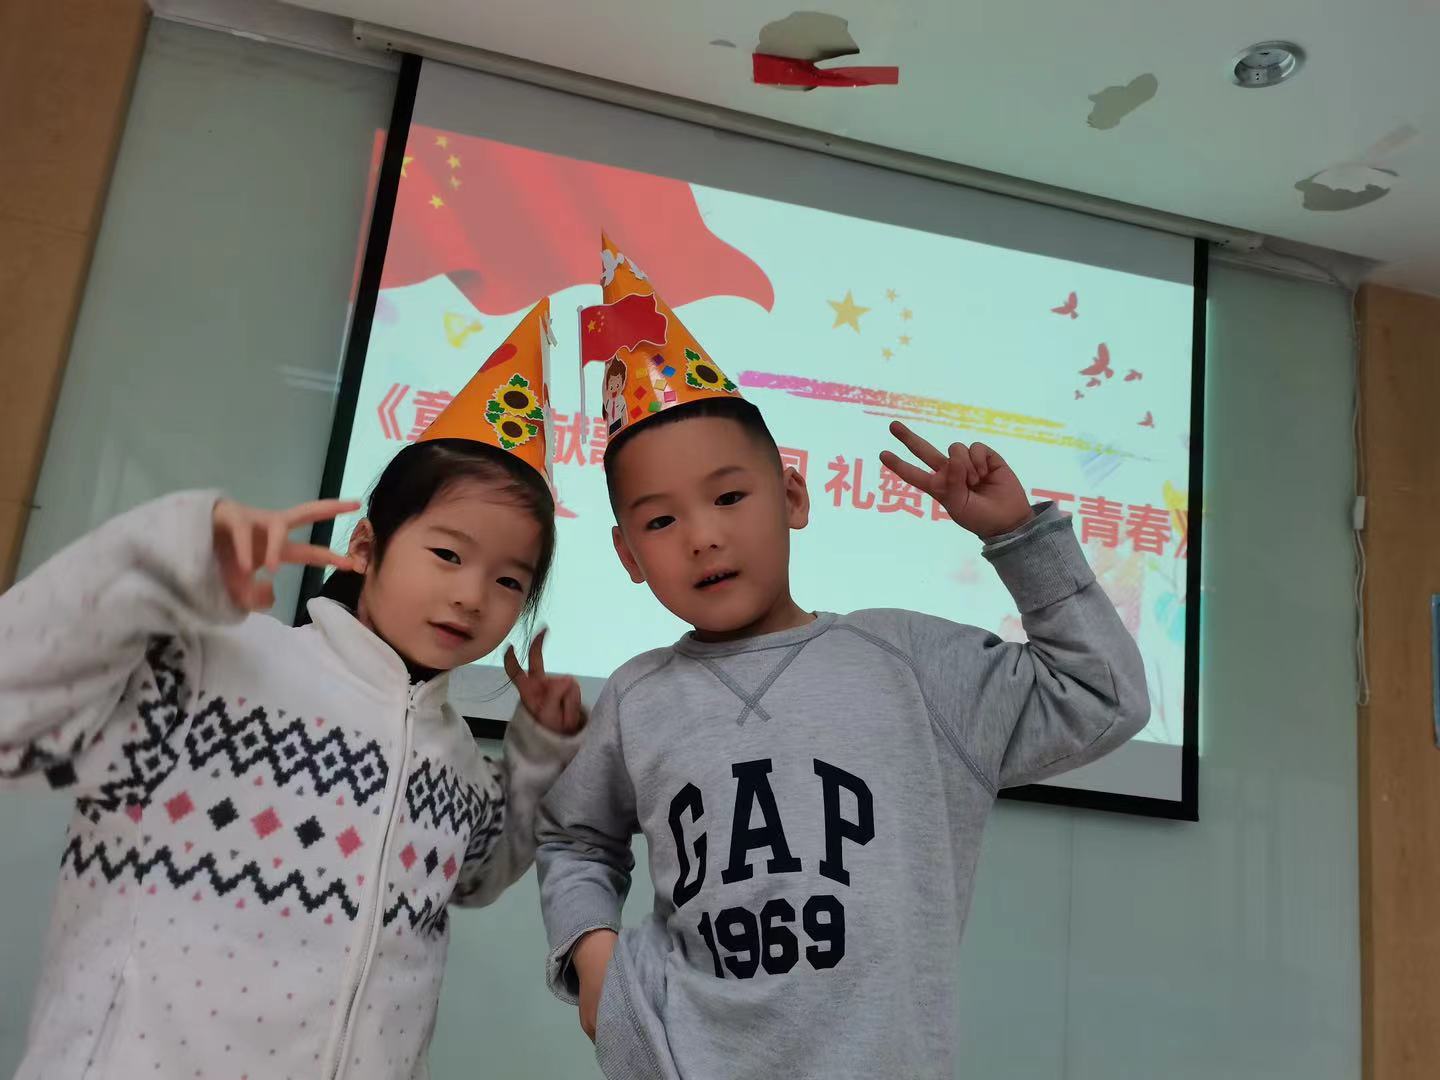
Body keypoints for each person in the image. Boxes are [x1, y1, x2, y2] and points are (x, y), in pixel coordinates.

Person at [536, 238, 1150, 1079]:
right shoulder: (638, 698)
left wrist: (1019, 538)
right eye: (661, 521)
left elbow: (1102, 697)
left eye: (729, 496)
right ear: (628, 555)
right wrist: (597, 966)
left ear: (792, 496)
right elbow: (574, 837)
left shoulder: (904, 662)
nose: (703, 536)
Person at [0, 300, 585, 1080]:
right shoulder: (216, 667)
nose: (473, 596)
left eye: (510, 580)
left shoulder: (454, 754)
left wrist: (538, 753)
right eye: (447, 554)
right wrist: (170, 557)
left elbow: (474, 876)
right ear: (365, 547)